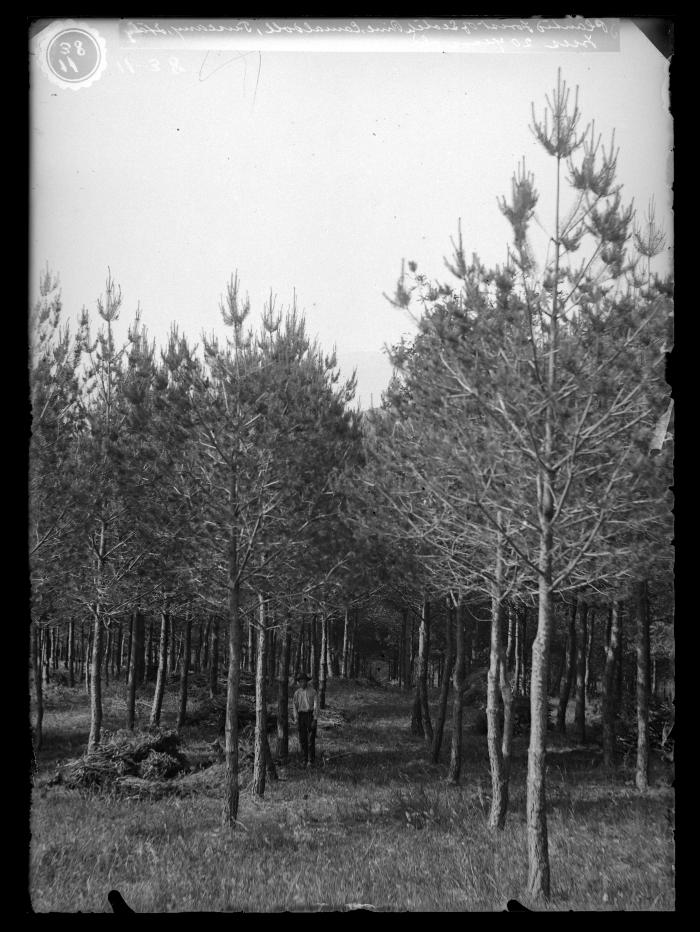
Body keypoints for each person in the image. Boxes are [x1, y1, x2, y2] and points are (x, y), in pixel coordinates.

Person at [292, 672, 319, 767]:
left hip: (310, 715)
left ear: (307, 681)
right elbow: (295, 707)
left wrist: (315, 719)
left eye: (304, 681)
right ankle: (304, 759)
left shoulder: (313, 692)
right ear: (298, 682)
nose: (302, 683)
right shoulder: (297, 693)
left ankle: (311, 761)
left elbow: (316, 706)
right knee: (302, 739)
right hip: (301, 716)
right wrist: (296, 719)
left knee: (311, 739)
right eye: (300, 681)